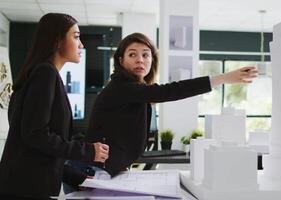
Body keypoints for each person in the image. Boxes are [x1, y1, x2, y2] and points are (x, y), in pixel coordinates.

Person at [80, 32, 257, 178]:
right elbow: (170, 91)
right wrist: (224, 78)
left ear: (152, 60)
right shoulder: (122, 86)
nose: (140, 60)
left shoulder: (134, 89)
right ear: (121, 61)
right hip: (93, 170)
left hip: (105, 168)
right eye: (132, 54)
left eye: (145, 55)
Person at [0, 13, 109, 199]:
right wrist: (88, 151)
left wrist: (81, 179)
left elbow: (40, 152)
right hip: (24, 189)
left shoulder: (42, 73)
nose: (81, 45)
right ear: (57, 40)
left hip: (25, 184)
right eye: (76, 37)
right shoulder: (45, 73)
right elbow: (37, 135)